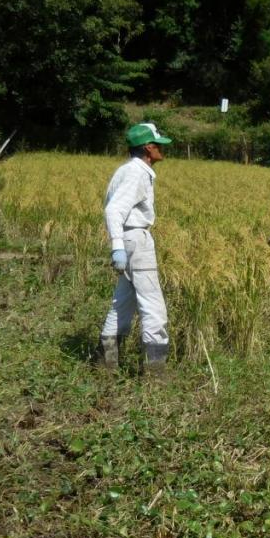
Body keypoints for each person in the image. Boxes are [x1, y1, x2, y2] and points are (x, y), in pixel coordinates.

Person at [97, 122, 173, 374]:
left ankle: (106, 363)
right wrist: (117, 246)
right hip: (135, 241)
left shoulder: (127, 170)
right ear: (148, 148)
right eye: (158, 145)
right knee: (153, 305)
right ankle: (155, 372)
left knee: (123, 302)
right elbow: (114, 209)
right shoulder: (137, 173)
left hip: (129, 240)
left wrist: (119, 246)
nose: (162, 150)